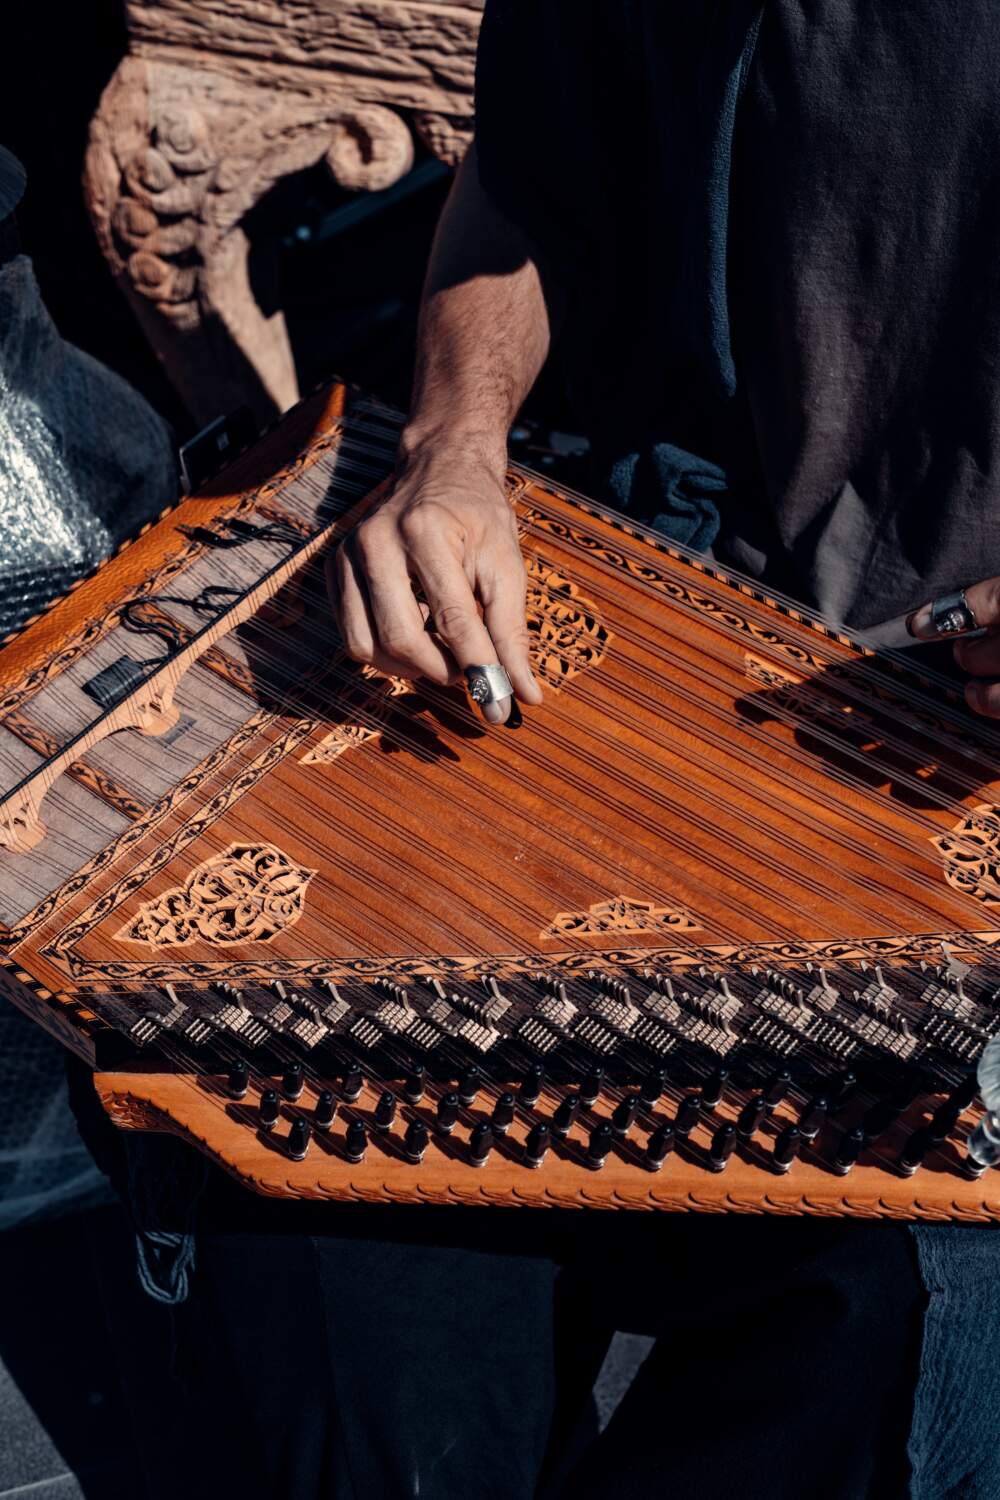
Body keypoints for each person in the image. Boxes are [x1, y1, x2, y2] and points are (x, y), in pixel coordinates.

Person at [77, 5, 1000, 1498]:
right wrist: (456, 438)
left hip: (945, 782)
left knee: (894, 1326)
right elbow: (524, 189)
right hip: (622, 634)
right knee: (332, 1266)